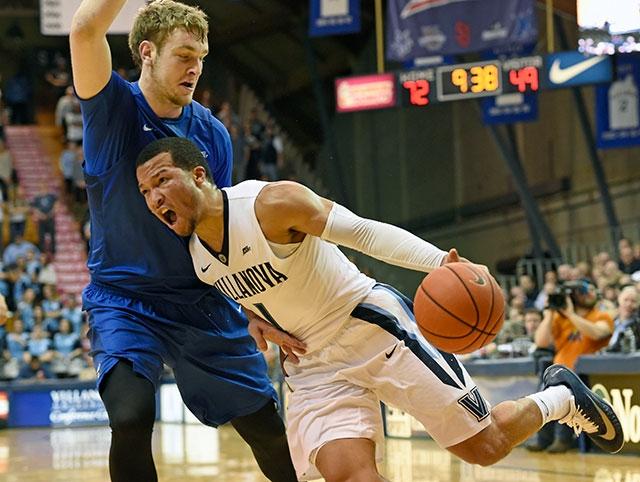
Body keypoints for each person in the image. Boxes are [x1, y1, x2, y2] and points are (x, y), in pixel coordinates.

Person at [135, 137, 625, 481]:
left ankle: (561, 398)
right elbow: (245, 283)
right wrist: (255, 317)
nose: (155, 198)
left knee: (486, 446)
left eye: (161, 181)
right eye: (145, 193)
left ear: (198, 175)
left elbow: (365, 233)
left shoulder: (272, 204)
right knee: (351, 477)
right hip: (313, 364)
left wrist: (441, 262)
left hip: (369, 325)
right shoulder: (197, 257)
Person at [69, 1, 300, 481]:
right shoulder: (112, 110)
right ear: (147, 52)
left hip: (201, 299)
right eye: (184, 55)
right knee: (129, 417)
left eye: (201, 57)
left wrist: (254, 305)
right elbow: (85, 28)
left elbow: (221, 231)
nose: (195, 68)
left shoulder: (213, 135)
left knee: (267, 429)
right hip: (125, 299)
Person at [529, 278, 614, 453]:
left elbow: (597, 333)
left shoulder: (601, 315)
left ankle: (563, 440)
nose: (591, 295)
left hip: (584, 373)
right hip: (558, 369)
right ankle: (543, 439)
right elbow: (541, 342)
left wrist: (571, 314)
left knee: (567, 401)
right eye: (585, 292)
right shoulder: (559, 319)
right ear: (574, 296)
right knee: (544, 400)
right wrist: (550, 314)